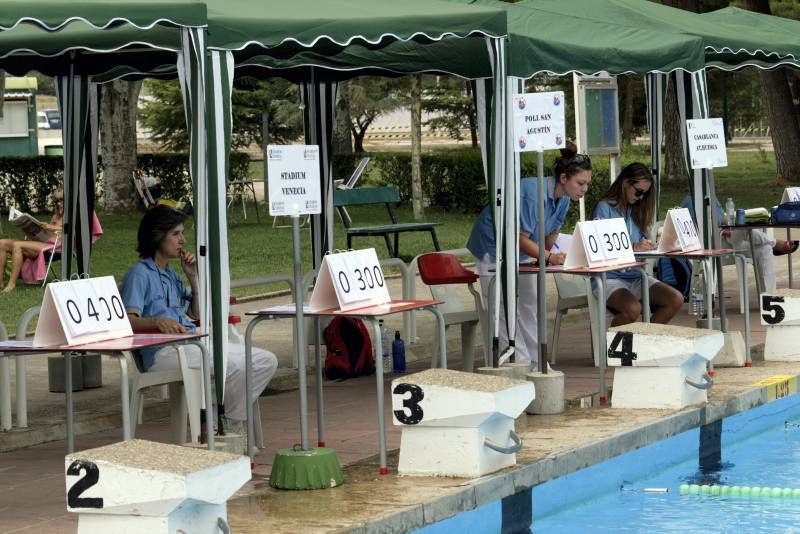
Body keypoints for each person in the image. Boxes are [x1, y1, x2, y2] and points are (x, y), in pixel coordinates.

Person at [120, 205, 277, 430]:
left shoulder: (171, 274)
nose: (182, 240)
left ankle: (226, 421)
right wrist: (156, 321)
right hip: (163, 353)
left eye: (182, 233)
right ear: (157, 236)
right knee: (234, 366)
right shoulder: (139, 274)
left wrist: (192, 277)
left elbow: (196, 314)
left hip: (193, 344)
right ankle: (227, 427)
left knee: (265, 361)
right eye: (176, 234)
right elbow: (127, 320)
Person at [467, 142, 593, 364]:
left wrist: (553, 253)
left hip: (522, 245)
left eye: (587, 184)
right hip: (492, 246)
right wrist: (548, 257)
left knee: (530, 304)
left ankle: (537, 362)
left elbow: (550, 232)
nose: (584, 189)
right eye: (580, 183)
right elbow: (517, 238)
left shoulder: (564, 198)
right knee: (503, 308)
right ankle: (518, 364)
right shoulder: (532, 195)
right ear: (564, 178)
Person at [592, 162, 683, 326]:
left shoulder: (636, 210)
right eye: (639, 192)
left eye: (644, 194)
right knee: (633, 309)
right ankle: (612, 349)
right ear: (625, 183)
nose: (640, 197)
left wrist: (654, 245)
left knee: (675, 299)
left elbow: (642, 243)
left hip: (636, 276)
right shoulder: (604, 207)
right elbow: (600, 249)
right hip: (609, 277)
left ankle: (644, 341)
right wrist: (634, 247)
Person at [679, 195, 797, 292]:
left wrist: (729, 224)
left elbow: (722, 219)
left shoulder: (710, 196)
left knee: (764, 249)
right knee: (743, 230)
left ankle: (769, 298)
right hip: (711, 246)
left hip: (729, 241)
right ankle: (775, 243)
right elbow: (695, 230)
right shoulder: (691, 200)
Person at [0, 190, 64, 293]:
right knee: (2, 243)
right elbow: (48, 234)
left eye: (62, 200)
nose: (59, 203)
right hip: (45, 242)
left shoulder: (71, 216)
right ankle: (0, 282)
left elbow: (71, 230)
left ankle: (11, 284)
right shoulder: (55, 216)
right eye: (56, 201)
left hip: (55, 248)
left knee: (17, 246)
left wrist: (50, 227)